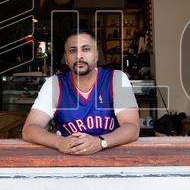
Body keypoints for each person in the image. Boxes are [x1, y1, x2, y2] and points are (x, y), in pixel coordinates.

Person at [22, 27, 139, 155]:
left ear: (96, 55)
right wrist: (59, 142)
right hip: (69, 157)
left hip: (113, 157)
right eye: (73, 50)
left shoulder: (116, 78)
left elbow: (132, 127)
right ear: (66, 58)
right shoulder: (54, 84)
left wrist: (100, 142)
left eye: (86, 49)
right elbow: (29, 129)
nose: (79, 55)